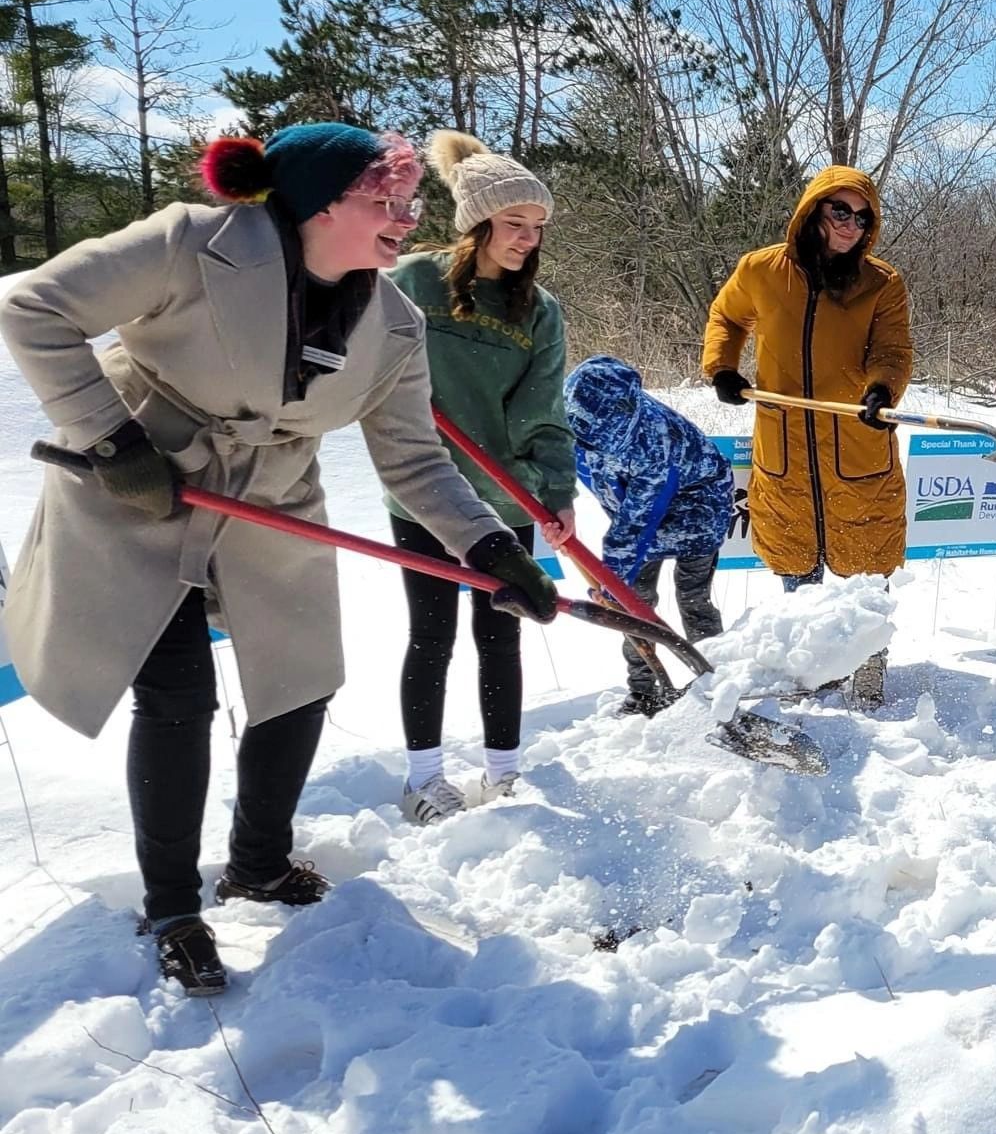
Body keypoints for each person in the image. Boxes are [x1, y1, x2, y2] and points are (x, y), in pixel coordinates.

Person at [0, 124, 555, 995]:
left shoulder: (393, 323)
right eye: (388, 201)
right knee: (178, 691)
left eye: (410, 204)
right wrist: (110, 439)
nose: (406, 221)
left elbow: (413, 460)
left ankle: (257, 862)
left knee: (301, 677)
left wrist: (489, 547)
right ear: (320, 201)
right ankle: (175, 908)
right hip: (141, 485)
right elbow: (32, 306)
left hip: (270, 497)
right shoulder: (190, 243)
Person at [387, 131, 575, 822]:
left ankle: (503, 772)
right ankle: (423, 779)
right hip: (424, 493)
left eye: (537, 227)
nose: (528, 239)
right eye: (514, 223)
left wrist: (553, 492)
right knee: (430, 634)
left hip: (503, 497)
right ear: (476, 222)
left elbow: (544, 410)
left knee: (501, 633)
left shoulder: (540, 311)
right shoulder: (409, 284)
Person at [701, 166, 911, 710]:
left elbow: (892, 350)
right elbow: (727, 315)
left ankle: (867, 679)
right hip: (786, 451)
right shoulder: (762, 270)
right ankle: (811, 679)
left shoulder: (881, 283)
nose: (851, 224)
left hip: (857, 448)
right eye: (840, 211)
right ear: (813, 211)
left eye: (862, 216)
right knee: (797, 572)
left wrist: (881, 390)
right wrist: (723, 367)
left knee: (865, 577)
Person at [565, 355, 735, 715]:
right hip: (636, 508)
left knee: (692, 598)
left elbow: (636, 525)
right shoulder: (574, 422)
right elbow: (550, 462)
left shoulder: (655, 442)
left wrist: (611, 577)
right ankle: (644, 691)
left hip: (699, 503)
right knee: (633, 604)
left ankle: (717, 681)